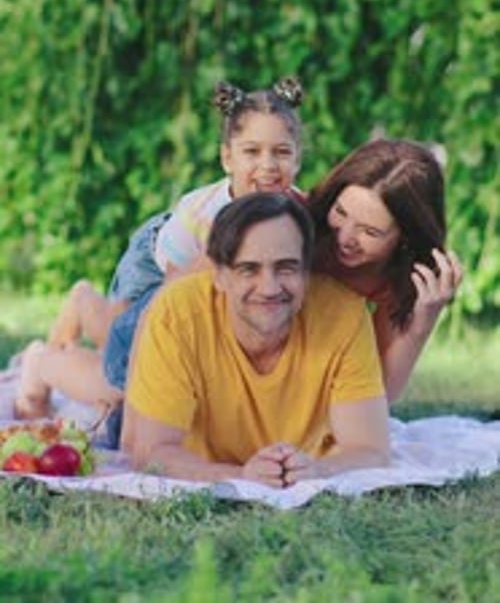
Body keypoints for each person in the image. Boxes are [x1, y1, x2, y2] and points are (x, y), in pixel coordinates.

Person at [14, 77, 304, 424]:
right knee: (122, 366)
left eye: (282, 152)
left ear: (297, 159)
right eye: (252, 152)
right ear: (228, 158)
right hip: (159, 264)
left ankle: (83, 310)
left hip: (197, 280)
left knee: (130, 358)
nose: (269, 165)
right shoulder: (206, 217)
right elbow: (172, 296)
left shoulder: (296, 209)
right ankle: (41, 361)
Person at [124, 192, 390, 485]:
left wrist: (317, 470)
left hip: (307, 459)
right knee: (104, 399)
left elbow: (370, 450)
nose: (269, 288)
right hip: (197, 452)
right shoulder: (177, 313)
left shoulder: (345, 313)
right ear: (220, 274)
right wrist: (241, 476)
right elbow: (150, 452)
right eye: (249, 269)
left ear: (306, 271)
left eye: (286, 267)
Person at [308, 138, 463, 402]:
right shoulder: (294, 226)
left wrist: (420, 326)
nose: (345, 238)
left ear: (406, 237)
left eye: (370, 231)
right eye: (341, 212)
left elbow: (379, 395)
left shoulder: (396, 279)